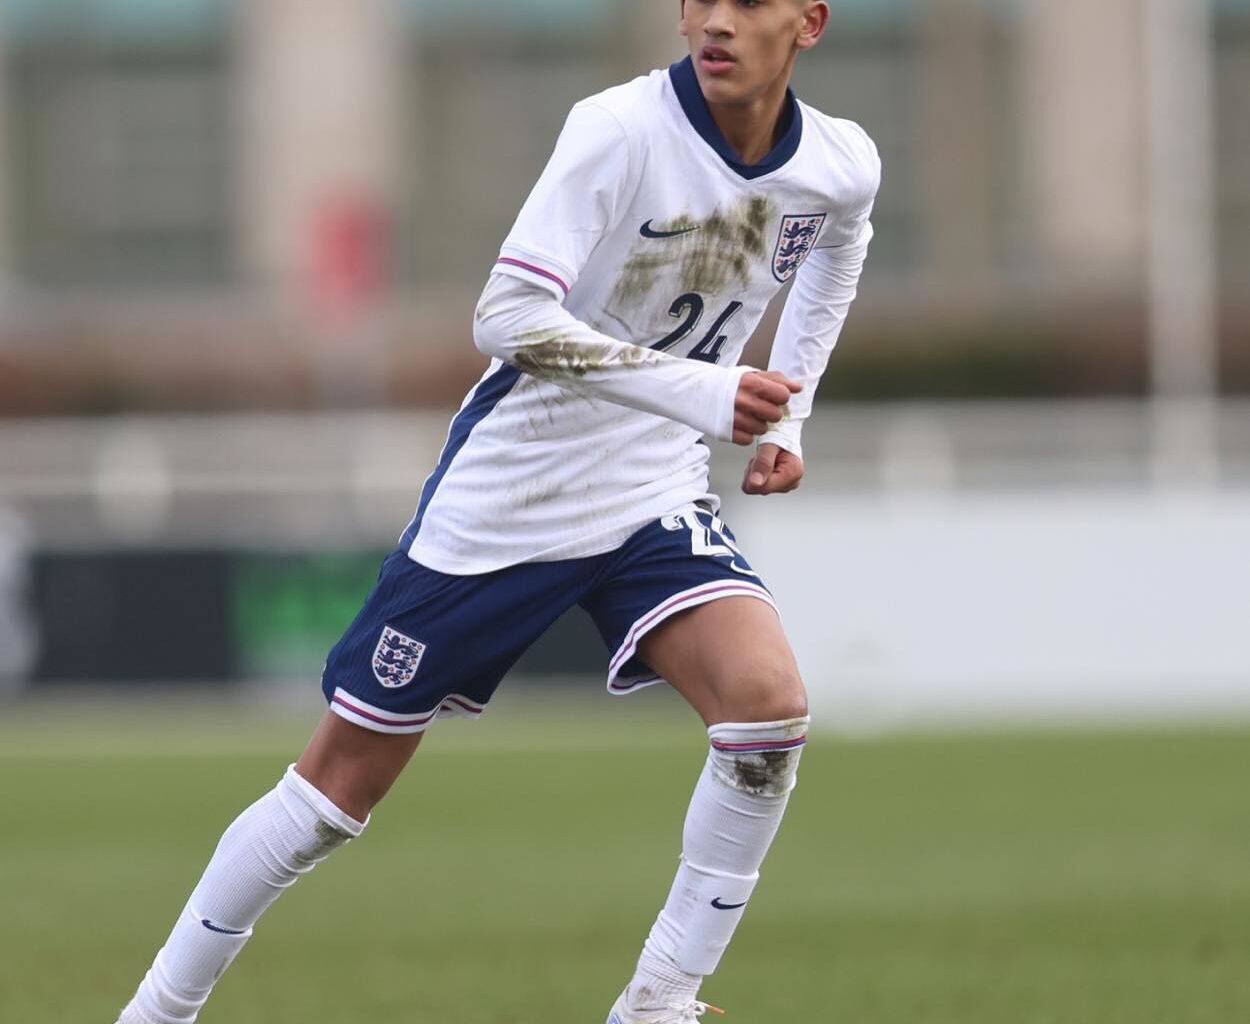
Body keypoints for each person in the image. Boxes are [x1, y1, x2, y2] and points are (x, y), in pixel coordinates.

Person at [115, 1, 879, 1022]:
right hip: (509, 496)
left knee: (766, 708)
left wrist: (790, 411)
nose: (716, 21)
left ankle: (658, 999)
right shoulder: (617, 129)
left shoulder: (838, 159)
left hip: (650, 488)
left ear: (810, 22)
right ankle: (156, 1012)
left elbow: (839, 242)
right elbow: (506, 317)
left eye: (748, 2)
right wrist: (706, 393)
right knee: (334, 795)